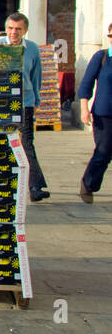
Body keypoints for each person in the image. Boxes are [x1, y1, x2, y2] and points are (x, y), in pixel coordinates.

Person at [0, 13, 49, 201]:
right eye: (11, 28)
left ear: (25, 30)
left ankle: (35, 186)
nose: (14, 32)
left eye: (18, 29)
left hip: (24, 102)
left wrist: (36, 101)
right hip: (0, 103)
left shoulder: (33, 49)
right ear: (6, 29)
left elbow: (36, 77)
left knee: (27, 144)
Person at [77, 21, 112, 202]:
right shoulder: (102, 57)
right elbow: (86, 84)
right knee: (104, 151)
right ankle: (89, 184)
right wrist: (84, 109)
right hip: (104, 113)